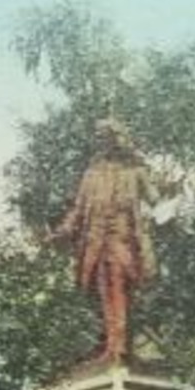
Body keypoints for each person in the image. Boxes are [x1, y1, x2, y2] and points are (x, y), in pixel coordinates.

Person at [53, 118, 156, 363]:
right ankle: (112, 345)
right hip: (97, 239)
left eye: (105, 135)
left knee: (120, 287)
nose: (101, 140)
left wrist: (169, 195)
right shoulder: (91, 175)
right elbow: (78, 210)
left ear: (117, 138)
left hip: (124, 238)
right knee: (104, 290)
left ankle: (120, 346)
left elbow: (156, 199)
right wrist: (62, 230)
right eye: (98, 136)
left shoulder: (135, 171)